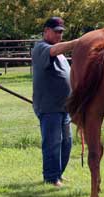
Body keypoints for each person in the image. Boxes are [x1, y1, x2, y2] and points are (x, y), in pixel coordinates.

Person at [32, 17, 79, 187]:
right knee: (52, 143)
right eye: (57, 31)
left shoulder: (59, 55)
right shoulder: (40, 48)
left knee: (66, 142)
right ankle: (51, 177)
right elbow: (55, 50)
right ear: (46, 31)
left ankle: (58, 174)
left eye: (61, 32)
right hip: (49, 106)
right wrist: (80, 42)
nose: (60, 35)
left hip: (63, 107)